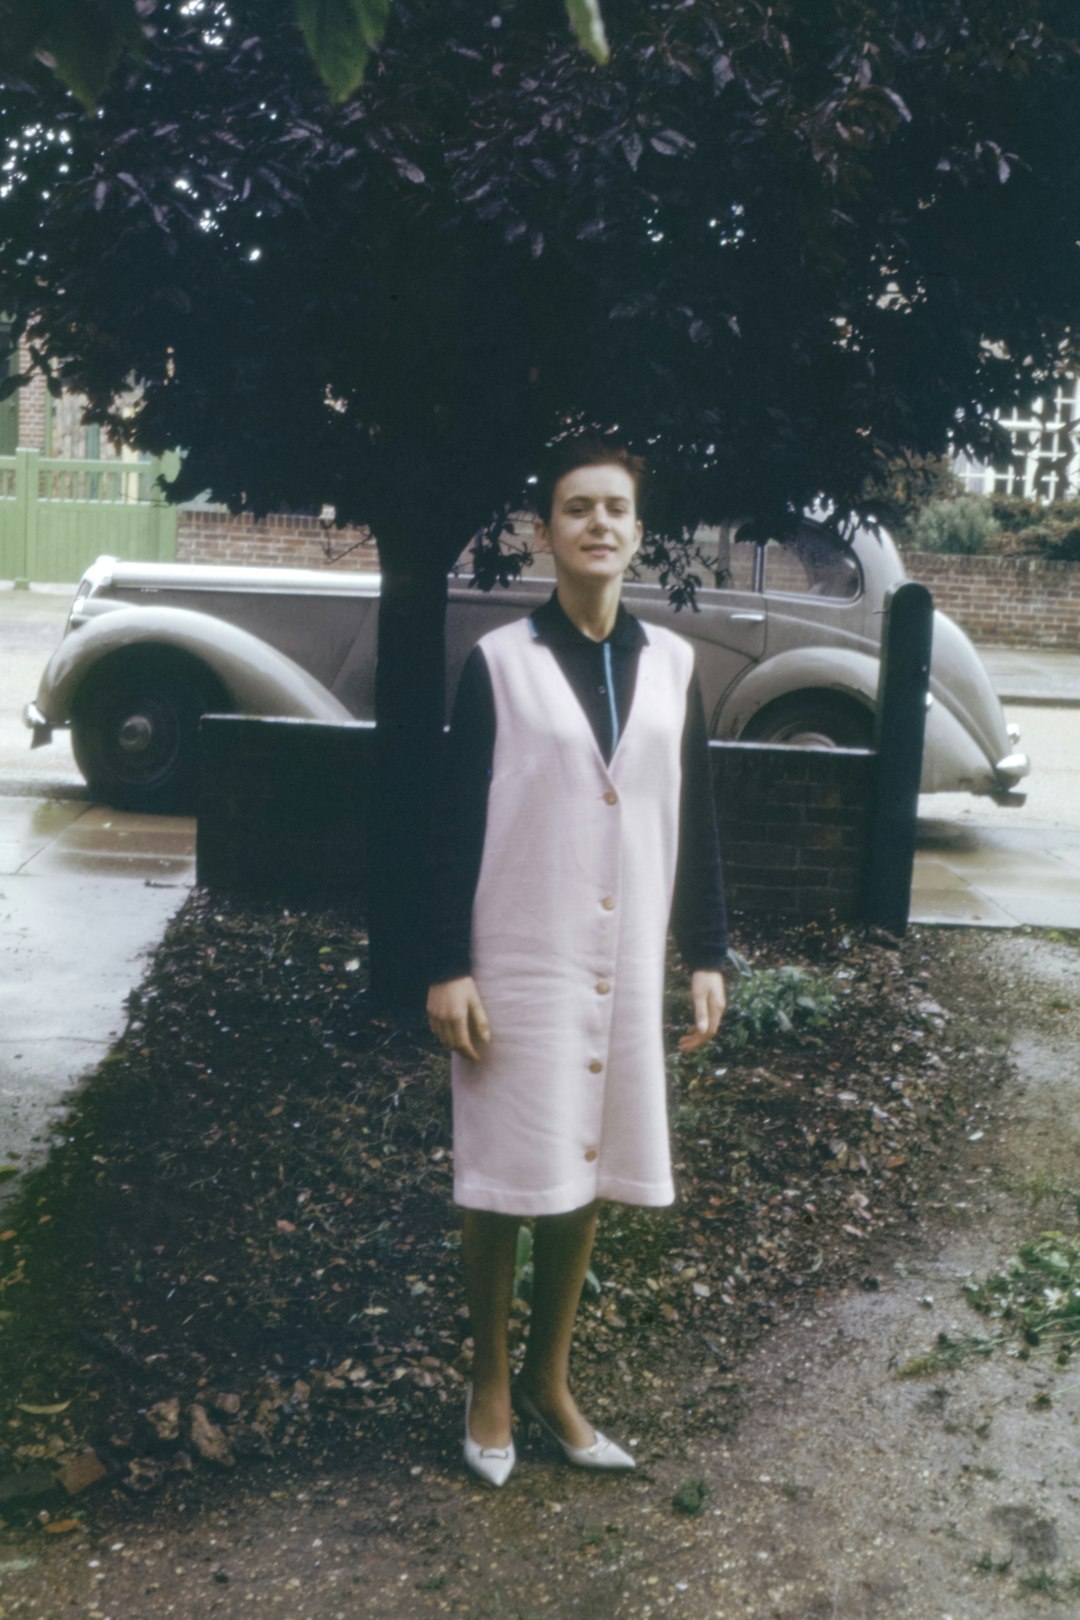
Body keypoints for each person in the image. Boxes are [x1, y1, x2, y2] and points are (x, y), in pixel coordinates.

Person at [426, 438, 729, 1487]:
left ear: (639, 532)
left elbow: (695, 823)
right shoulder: (502, 663)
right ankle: (491, 1383)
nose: (598, 524)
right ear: (545, 532)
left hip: (624, 959)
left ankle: (553, 1384)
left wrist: (709, 953)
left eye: (616, 509)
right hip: (519, 959)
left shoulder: (675, 669)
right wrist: (443, 965)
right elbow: (450, 824)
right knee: (506, 1176)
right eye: (575, 508)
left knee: (584, 1171)